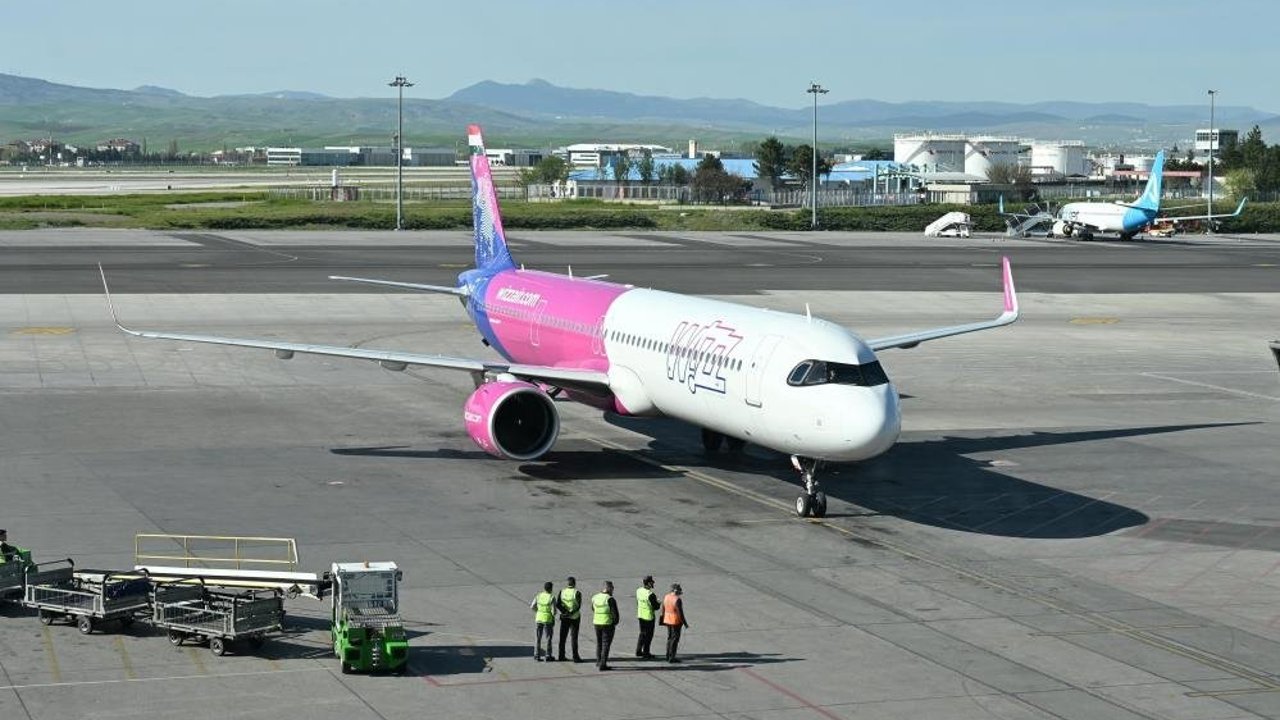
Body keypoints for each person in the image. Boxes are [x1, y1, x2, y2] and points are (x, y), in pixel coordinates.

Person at [591, 580, 619, 671]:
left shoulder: (595, 597)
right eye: (612, 588)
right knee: (606, 644)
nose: (613, 590)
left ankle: (598, 661)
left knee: (599, 642)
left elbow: (593, 608)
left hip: (597, 623)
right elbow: (615, 615)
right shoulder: (610, 599)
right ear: (608, 588)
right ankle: (603, 664)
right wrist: (614, 623)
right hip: (607, 624)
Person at [661, 582, 690, 663]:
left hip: (667, 620)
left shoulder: (666, 596)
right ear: (675, 590)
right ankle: (672, 657)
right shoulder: (677, 600)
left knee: (669, 638)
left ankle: (667, 655)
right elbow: (680, 613)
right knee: (674, 640)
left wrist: (663, 618)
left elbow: (663, 608)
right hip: (675, 621)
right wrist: (685, 623)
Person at [557, 575, 583, 662]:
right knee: (574, 638)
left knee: (562, 637)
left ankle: (561, 656)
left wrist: (565, 612)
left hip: (564, 617)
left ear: (567, 583)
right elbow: (578, 606)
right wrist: (571, 612)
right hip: (574, 618)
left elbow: (558, 604)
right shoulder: (577, 593)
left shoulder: (562, 591)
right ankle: (575, 657)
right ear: (574, 584)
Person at [635, 575, 660, 659]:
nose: (653, 583)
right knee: (649, 636)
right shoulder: (651, 594)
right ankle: (646, 652)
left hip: (640, 615)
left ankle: (638, 650)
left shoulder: (639, 590)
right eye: (652, 582)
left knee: (642, 633)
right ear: (649, 583)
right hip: (649, 617)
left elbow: (638, 602)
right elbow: (656, 607)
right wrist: (658, 603)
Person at [530, 581, 556, 661]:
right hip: (548, 619)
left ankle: (536, 655)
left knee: (538, 637)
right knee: (548, 638)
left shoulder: (539, 596)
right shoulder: (551, 597)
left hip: (539, 618)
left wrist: (538, 611)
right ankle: (548, 655)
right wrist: (553, 616)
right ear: (551, 589)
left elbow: (532, 606)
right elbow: (554, 611)